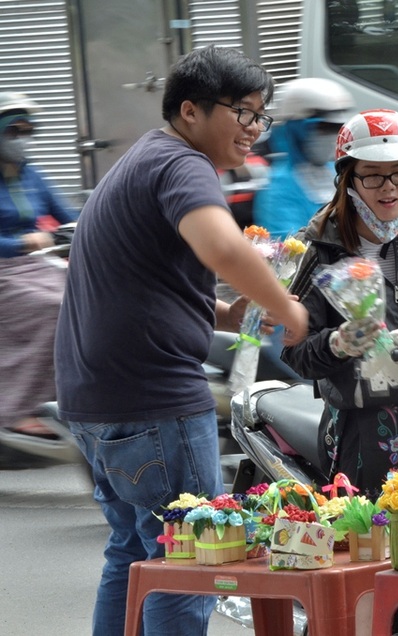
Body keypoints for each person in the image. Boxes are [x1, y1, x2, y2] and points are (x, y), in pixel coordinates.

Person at [53, 45, 308, 636]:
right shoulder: (182, 165)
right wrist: (286, 307)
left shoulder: (144, 158)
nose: (253, 128)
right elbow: (221, 247)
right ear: (190, 110)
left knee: (135, 554)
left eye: (260, 115)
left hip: (94, 403)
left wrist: (225, 313)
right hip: (153, 402)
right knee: (190, 561)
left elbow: (143, 280)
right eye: (242, 112)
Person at [281, 109, 398, 496]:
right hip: (360, 430)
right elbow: (296, 350)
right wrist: (337, 343)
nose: (389, 188)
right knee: (374, 530)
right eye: (372, 175)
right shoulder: (317, 250)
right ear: (348, 180)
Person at [0, 92, 78, 444]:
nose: (22, 139)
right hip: (5, 270)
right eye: (13, 132)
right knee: (53, 309)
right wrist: (22, 243)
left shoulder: (32, 175)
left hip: (35, 266)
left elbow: (69, 216)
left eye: (27, 131)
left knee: (91, 297)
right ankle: (22, 410)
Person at [252, 77, 355, 236]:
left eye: (337, 129)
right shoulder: (278, 189)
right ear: (298, 130)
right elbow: (289, 246)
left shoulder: (338, 172)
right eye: (323, 128)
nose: (331, 137)